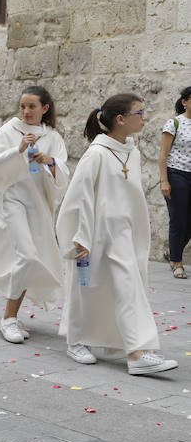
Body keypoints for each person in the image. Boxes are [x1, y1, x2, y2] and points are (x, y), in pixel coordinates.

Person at [57, 94, 178, 375]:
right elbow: (79, 198)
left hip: (122, 234)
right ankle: (76, 341)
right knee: (85, 289)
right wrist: (81, 237)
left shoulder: (131, 152)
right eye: (140, 112)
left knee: (128, 288)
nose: (145, 117)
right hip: (95, 234)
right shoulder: (97, 153)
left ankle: (136, 353)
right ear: (121, 119)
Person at [0, 85, 69, 343]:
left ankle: (12, 314)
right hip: (12, 201)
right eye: (23, 106)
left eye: (32, 106)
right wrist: (17, 150)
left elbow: (62, 170)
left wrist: (49, 161)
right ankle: (8, 319)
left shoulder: (51, 136)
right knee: (27, 256)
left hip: (38, 204)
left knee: (32, 258)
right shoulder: (9, 130)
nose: (26, 111)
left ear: (45, 108)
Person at [159, 86, 191, 279]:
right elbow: (163, 154)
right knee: (178, 219)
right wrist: (164, 180)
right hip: (177, 173)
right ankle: (176, 262)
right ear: (184, 102)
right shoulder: (174, 123)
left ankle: (172, 251)